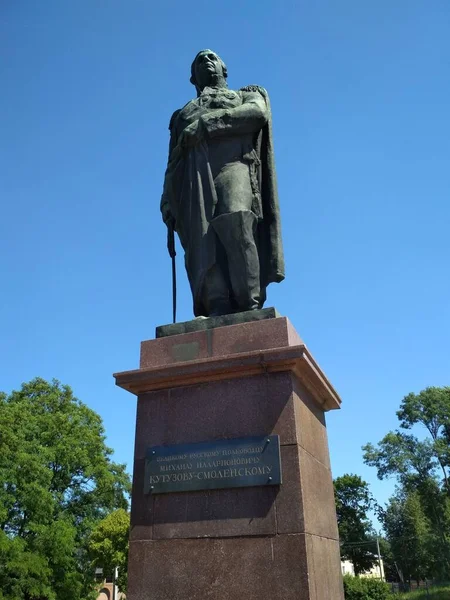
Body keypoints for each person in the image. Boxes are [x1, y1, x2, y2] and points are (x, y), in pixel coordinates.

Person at [160, 49, 284, 317]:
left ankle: (248, 301)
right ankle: (216, 303)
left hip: (233, 165)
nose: (205, 60)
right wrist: (167, 201)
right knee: (202, 240)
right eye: (198, 61)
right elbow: (173, 161)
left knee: (237, 219)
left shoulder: (244, 95)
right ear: (192, 78)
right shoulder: (181, 115)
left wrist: (206, 124)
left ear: (223, 68)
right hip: (192, 178)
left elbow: (257, 114)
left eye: (211, 57)